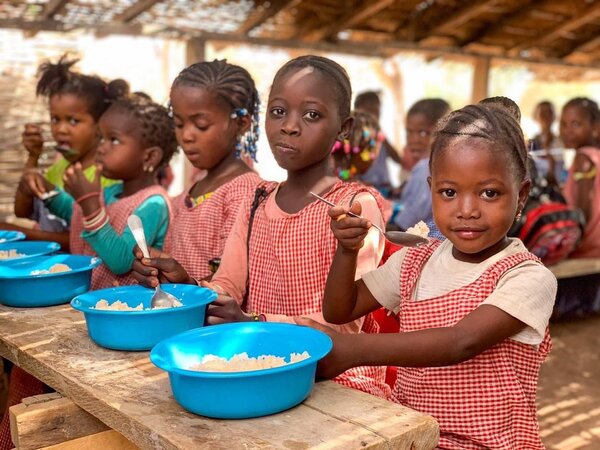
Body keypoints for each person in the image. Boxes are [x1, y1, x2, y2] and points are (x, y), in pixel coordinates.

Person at [303, 101, 557, 449]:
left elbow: (460, 342)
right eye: (449, 193)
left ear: (522, 195)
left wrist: (353, 348)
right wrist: (347, 251)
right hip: (414, 438)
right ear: (431, 188)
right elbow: (339, 310)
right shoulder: (415, 260)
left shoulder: (527, 277)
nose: (467, 210)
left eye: (489, 193)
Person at [134, 55, 391, 399]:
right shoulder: (256, 199)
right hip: (257, 364)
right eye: (278, 111)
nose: (289, 126)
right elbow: (228, 285)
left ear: (342, 128)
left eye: (311, 115)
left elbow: (345, 322)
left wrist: (255, 322)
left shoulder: (354, 206)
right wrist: (187, 284)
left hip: (333, 378)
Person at [130, 60, 262, 284]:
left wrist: (187, 283)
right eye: (179, 124)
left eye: (200, 125)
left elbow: (233, 281)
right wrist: (156, 268)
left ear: (241, 123)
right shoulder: (190, 193)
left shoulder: (244, 192)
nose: (187, 136)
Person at [34, 97, 176, 289]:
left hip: (127, 309)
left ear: (150, 156)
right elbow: (74, 213)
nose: (101, 148)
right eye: (101, 137)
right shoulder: (111, 192)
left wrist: (91, 207)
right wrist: (48, 190)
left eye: (114, 140)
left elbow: (123, 260)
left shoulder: (153, 203)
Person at [6, 55, 121, 249]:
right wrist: (32, 158)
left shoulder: (108, 175)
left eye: (73, 121)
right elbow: (22, 211)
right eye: (55, 119)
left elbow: (87, 239)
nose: (61, 129)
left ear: (100, 124)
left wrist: (23, 235)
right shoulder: (58, 169)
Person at [391, 99, 450, 231]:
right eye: (409, 132)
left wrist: (382, 231)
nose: (414, 140)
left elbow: (409, 220)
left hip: (424, 241)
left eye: (423, 133)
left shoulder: (426, 168)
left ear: (444, 134)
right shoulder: (441, 164)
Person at [561, 97, 600, 258]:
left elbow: (582, 206)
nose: (567, 131)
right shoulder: (596, 156)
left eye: (576, 124)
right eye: (563, 124)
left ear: (595, 128)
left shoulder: (583, 157)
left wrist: (573, 242)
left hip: (585, 247)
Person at [353, 91, 405, 194]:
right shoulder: (354, 137)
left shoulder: (381, 136)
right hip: (364, 190)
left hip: (386, 188)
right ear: (357, 113)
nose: (373, 117)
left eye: (376, 112)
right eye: (368, 113)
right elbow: (348, 169)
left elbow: (397, 159)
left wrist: (383, 139)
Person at [530, 100, 564, 185]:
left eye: (549, 112)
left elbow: (558, 172)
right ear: (536, 116)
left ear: (554, 116)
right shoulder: (531, 142)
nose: (546, 116)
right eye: (542, 113)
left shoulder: (560, 141)